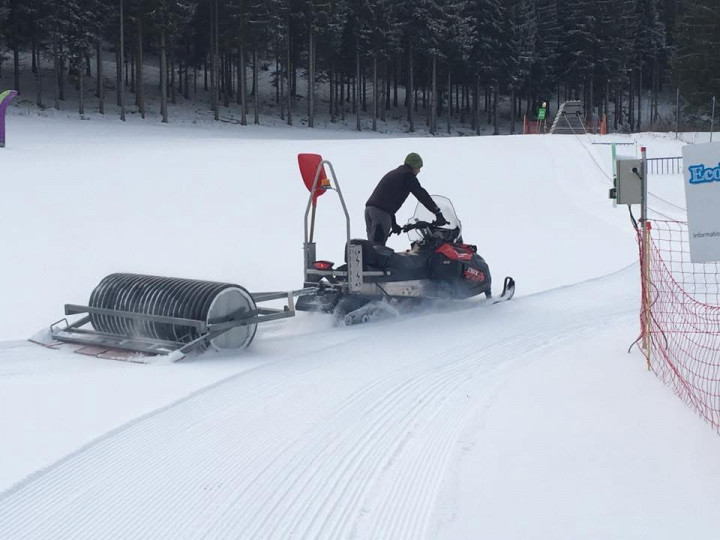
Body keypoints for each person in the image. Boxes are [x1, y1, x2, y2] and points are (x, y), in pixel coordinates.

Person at [365, 153, 448, 246]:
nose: (419, 171)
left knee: (373, 246)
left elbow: (388, 199)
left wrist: (393, 223)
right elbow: (421, 194)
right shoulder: (407, 176)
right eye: (418, 168)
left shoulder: (398, 173)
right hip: (380, 213)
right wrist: (437, 212)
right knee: (378, 247)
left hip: (370, 209)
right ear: (414, 166)